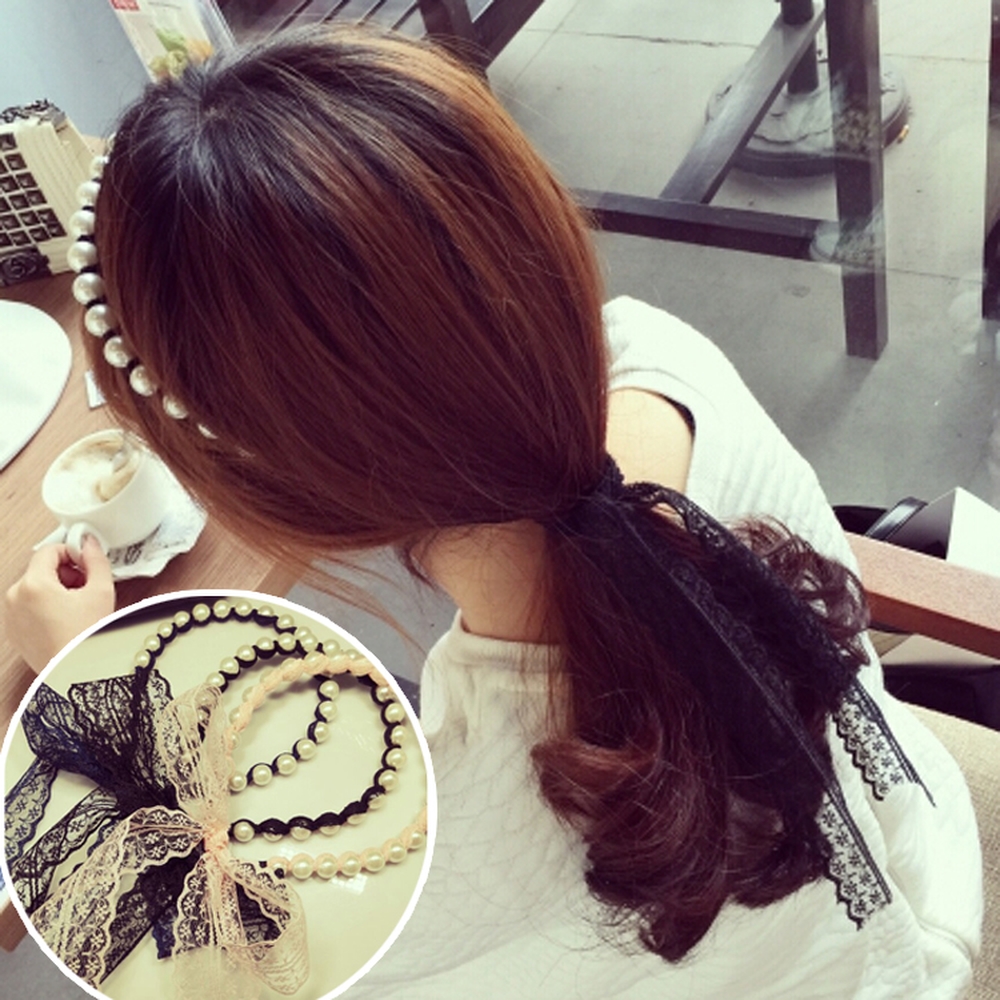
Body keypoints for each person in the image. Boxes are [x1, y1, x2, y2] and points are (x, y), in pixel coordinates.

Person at [5, 25, 982, 999]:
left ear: (270, 485)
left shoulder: (427, 841)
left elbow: (217, 962)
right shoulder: (661, 359)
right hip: (914, 861)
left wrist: (85, 683)